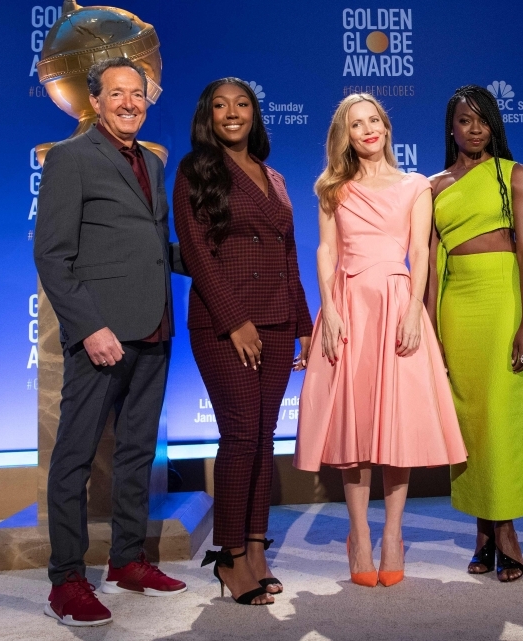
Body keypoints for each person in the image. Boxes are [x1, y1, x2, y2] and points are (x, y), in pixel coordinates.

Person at [34, 57, 187, 627]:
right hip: (101, 334)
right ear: (95, 101)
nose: (129, 102)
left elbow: (155, 246)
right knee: (74, 459)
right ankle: (66, 581)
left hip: (154, 328)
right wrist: (89, 327)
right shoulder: (71, 158)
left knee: (136, 453)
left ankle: (127, 561)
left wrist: (218, 259)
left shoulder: (150, 161)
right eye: (117, 93)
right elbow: (52, 254)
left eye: (138, 94)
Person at [294, 94, 466, 588]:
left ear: (387, 128)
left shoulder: (416, 185)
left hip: (395, 305)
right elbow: (326, 250)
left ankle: (392, 534)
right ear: (344, 135)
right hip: (348, 307)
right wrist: (327, 312)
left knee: (396, 428)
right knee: (355, 428)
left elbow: (418, 251)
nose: (367, 130)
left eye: (374, 121)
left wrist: (415, 312)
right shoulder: (332, 187)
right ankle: (359, 536)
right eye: (356, 125)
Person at [173, 78, 313, 605]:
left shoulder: (273, 176)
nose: (232, 113)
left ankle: (256, 548)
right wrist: (235, 321)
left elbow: (288, 255)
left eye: (243, 104)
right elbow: (197, 252)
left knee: (262, 436)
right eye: (220, 105)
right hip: (223, 324)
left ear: (255, 114)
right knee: (238, 434)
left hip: (278, 322)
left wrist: (303, 323)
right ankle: (229, 556)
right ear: (207, 116)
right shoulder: (195, 170)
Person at [427, 86, 523, 582]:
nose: (473, 129)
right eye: (464, 121)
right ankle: (482, 529)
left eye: (482, 121)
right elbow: (431, 265)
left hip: (501, 299)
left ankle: (506, 529)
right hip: (457, 305)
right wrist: (430, 328)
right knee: (468, 420)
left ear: (494, 126)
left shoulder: (513, 174)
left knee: (500, 418)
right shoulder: (433, 185)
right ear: (450, 127)